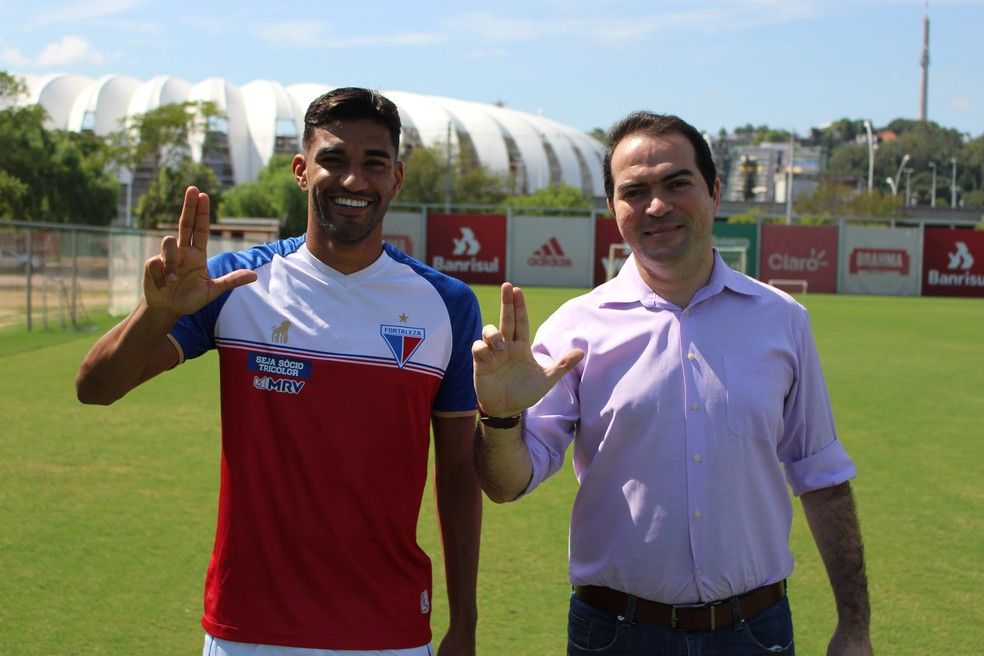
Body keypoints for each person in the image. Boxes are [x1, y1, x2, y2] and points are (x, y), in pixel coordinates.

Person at [77, 87, 482, 656]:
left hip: (387, 630)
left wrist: (464, 623)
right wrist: (156, 311)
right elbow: (95, 388)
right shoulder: (234, 284)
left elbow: (459, 470)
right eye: (333, 160)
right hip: (250, 629)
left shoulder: (448, 303)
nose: (353, 181)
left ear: (397, 178)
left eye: (374, 163)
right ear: (301, 170)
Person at [472, 111, 871, 655]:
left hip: (754, 632)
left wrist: (855, 625)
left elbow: (821, 476)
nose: (656, 206)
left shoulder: (782, 320)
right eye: (634, 191)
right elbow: (506, 483)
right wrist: (499, 419)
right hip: (616, 634)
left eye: (676, 183)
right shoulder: (575, 328)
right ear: (613, 208)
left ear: (714, 192)